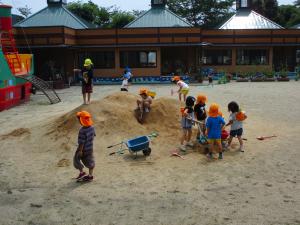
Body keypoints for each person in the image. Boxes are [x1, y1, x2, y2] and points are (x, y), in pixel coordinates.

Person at [73, 111, 96, 182]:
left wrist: (80, 151)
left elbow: (81, 142)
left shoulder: (82, 130)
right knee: (90, 161)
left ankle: (81, 172)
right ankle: (90, 176)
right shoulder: (92, 128)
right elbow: (94, 135)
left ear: (81, 121)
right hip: (90, 148)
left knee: (76, 159)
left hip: (82, 149)